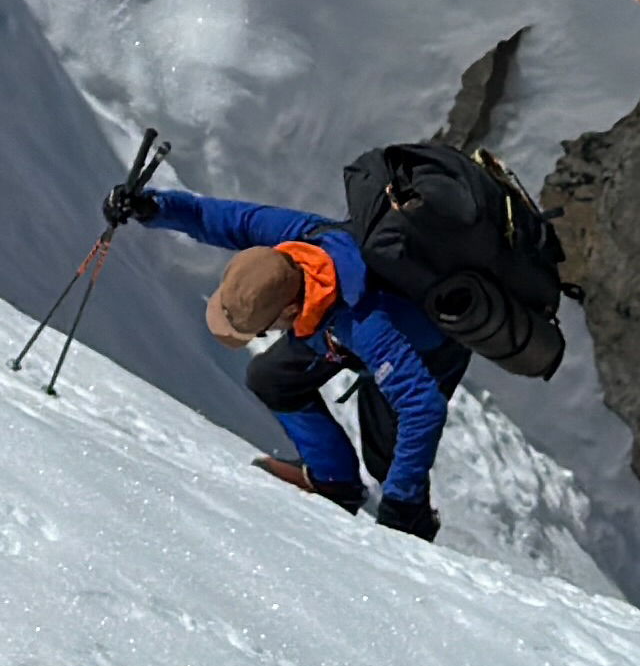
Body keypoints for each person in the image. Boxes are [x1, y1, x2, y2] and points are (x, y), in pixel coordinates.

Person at [120, 173, 461, 540]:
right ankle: (334, 481)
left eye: (264, 328)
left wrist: (400, 504)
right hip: (333, 330)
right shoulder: (297, 240)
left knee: (389, 459)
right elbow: (227, 218)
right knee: (273, 378)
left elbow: (422, 406)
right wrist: (154, 207)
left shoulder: (365, 324)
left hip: (425, 346)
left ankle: (413, 527)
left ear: (287, 312)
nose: (267, 335)